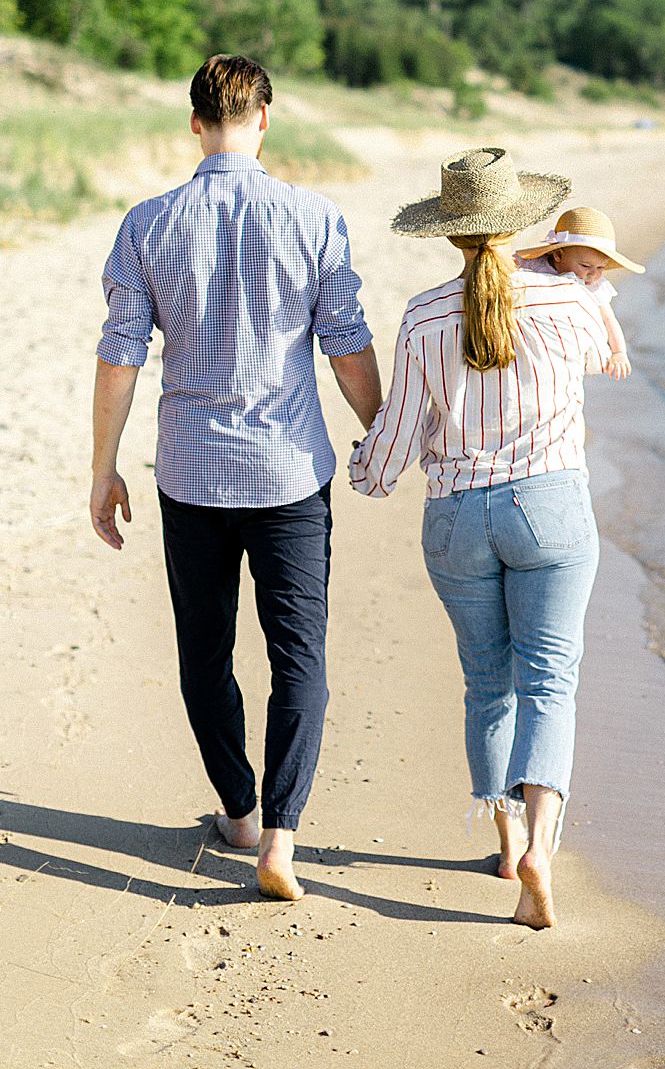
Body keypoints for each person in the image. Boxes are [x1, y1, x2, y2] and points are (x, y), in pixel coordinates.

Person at [90, 54, 382, 902]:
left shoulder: (147, 224)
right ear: (265, 118)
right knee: (300, 658)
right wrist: (384, 432)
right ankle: (280, 842)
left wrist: (104, 469)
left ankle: (241, 812)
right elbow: (345, 341)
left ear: (194, 123)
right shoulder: (314, 217)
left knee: (203, 654)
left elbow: (120, 358)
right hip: (290, 474)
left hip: (190, 473)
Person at [348, 147, 611, 929]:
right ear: (521, 221)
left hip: (457, 518)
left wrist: (366, 470)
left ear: (450, 233)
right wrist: (563, 274)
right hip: (551, 508)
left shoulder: (426, 316)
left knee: (486, 681)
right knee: (550, 682)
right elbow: (603, 351)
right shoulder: (567, 302)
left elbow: (390, 448)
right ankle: (540, 845)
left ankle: (502, 842)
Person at [513, 204, 644, 378]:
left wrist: (619, 352)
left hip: (569, 345)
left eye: (601, 267)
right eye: (585, 266)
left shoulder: (592, 286)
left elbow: (608, 318)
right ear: (558, 255)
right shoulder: (537, 269)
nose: (593, 273)